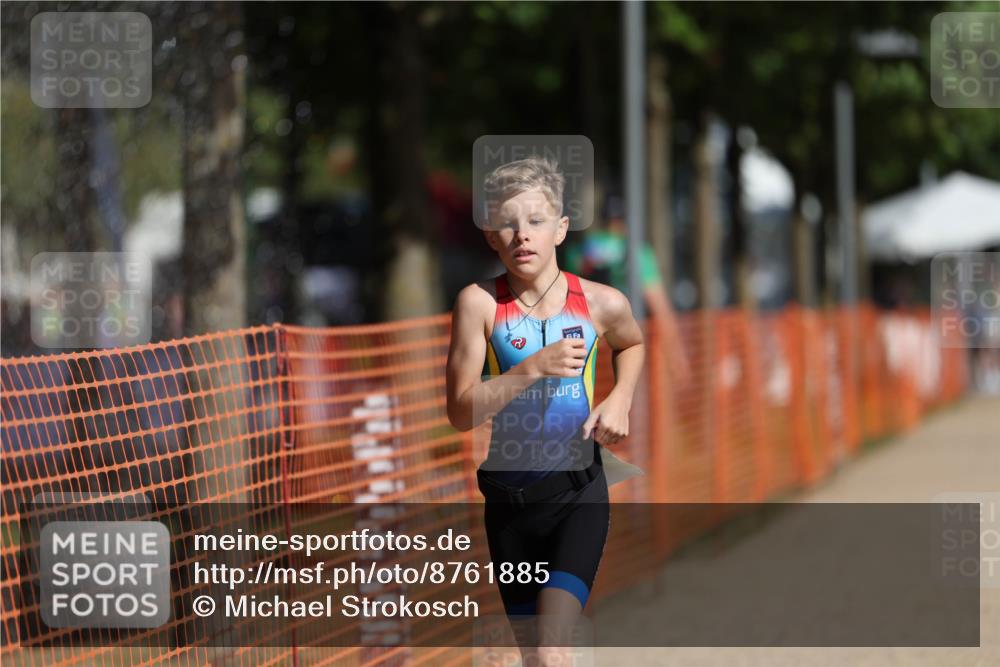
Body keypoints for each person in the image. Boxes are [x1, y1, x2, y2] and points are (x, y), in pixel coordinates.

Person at [446, 156, 645, 666]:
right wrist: (531, 368)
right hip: (509, 505)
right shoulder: (479, 304)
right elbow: (461, 413)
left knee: (553, 650)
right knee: (535, 658)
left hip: (577, 495)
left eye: (536, 220)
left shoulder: (601, 302)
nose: (522, 235)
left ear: (560, 228)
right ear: (490, 236)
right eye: (507, 224)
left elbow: (632, 344)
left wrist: (620, 399)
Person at [563, 193, 691, 386]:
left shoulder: (583, 249)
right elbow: (659, 305)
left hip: (586, 344)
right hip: (624, 341)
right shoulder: (637, 252)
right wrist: (677, 355)